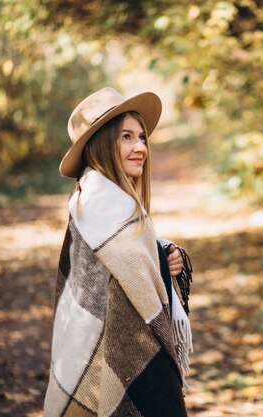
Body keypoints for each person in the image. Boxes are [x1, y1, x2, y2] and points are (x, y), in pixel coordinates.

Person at [44, 87, 193, 417]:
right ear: (102, 143)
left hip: (97, 360)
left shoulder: (103, 198)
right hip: (106, 361)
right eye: (127, 137)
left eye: (141, 137)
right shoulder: (103, 205)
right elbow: (128, 290)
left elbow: (133, 264)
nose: (140, 147)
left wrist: (163, 254)